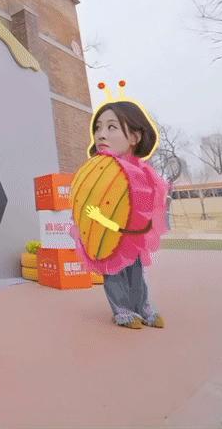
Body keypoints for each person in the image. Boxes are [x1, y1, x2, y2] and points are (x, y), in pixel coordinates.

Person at [71, 93, 169, 330]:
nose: (101, 134)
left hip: (131, 231)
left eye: (111, 127)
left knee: (136, 268)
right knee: (112, 268)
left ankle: (143, 307)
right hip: (105, 233)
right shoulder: (96, 171)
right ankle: (122, 311)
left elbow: (146, 207)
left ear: (135, 136)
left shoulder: (143, 173)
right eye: (98, 128)